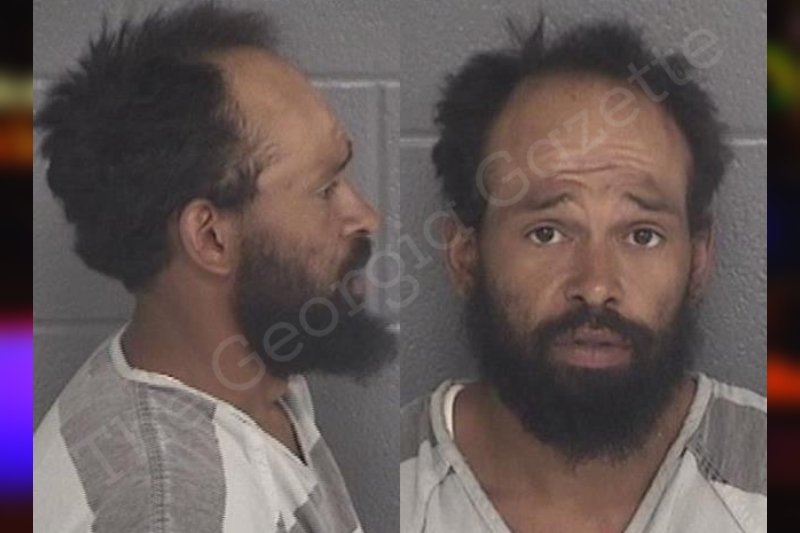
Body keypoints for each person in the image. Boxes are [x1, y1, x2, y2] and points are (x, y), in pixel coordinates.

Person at [33, 3, 396, 532]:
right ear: (210, 237)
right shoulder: (175, 509)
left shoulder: (248, 365)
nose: (366, 217)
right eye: (325, 189)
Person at [401, 19, 766, 533]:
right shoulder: (389, 490)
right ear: (465, 256)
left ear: (699, 259)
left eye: (642, 235)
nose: (596, 286)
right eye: (547, 232)